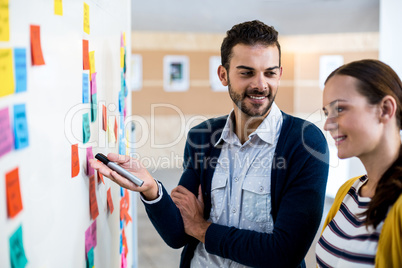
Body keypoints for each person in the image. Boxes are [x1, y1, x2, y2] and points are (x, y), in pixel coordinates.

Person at [90, 20, 329, 267]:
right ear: (223, 75)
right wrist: (151, 189)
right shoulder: (202, 137)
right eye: (246, 72)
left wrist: (203, 229)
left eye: (269, 72)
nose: (260, 84)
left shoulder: (305, 142)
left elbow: (284, 252)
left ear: (279, 74)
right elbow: (178, 234)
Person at [316, 59, 402, 267]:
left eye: (340, 109)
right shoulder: (348, 191)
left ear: (385, 109)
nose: (327, 124)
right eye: (327, 113)